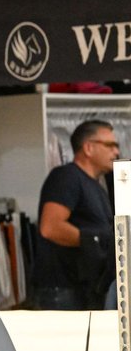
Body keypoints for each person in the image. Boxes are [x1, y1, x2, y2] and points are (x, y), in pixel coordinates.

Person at [32, 119, 119, 310]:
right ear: (88, 147)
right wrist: (94, 241)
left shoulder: (95, 184)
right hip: (62, 290)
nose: (116, 152)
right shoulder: (66, 177)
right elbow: (50, 227)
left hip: (83, 288)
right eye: (110, 145)